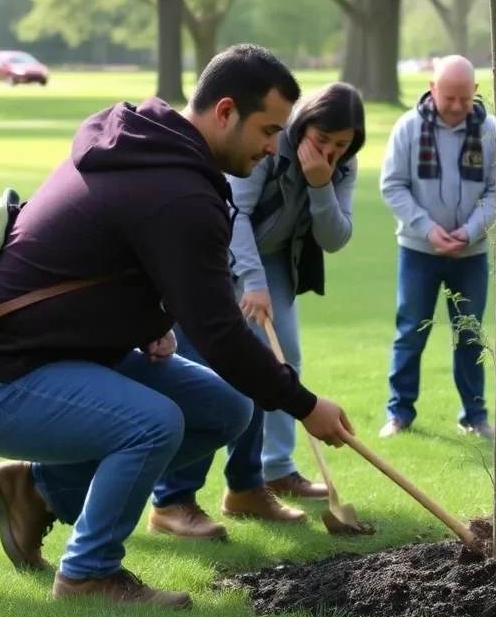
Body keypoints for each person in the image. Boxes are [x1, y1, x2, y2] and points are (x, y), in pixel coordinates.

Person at [0, 45, 353, 608]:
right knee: (153, 423)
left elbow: (99, 261)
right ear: (225, 111)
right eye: (269, 129)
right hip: (4, 372)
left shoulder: (146, 145)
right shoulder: (176, 190)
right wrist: (305, 404)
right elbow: (222, 334)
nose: (275, 146)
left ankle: (34, 490)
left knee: (226, 408)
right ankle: (88, 575)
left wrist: (142, 320)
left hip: (53, 352)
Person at [149, 82, 365, 539]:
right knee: (203, 373)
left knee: (268, 369)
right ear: (301, 124)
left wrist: (321, 185)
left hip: (272, 262)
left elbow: (335, 238)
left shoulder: (340, 167)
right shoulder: (267, 145)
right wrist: (252, 282)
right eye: (321, 140)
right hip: (219, 253)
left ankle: (248, 486)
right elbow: (235, 214)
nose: (328, 151)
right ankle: (172, 501)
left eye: (341, 145)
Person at [378, 55, 496, 438]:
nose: (459, 107)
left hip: (471, 253)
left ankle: (475, 415)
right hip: (418, 251)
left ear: (475, 92)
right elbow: (392, 186)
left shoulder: (490, 131)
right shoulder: (408, 128)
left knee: (470, 333)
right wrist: (428, 229)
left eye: (465, 98)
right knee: (410, 330)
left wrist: (471, 231)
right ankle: (399, 413)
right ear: (432, 89)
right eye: (450, 98)